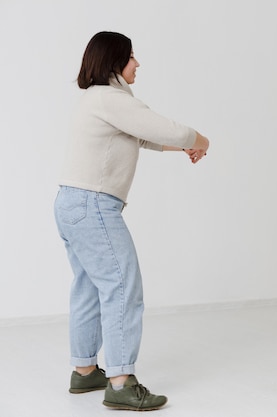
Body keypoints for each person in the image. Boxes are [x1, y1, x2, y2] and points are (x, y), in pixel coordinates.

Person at [54, 31, 210, 411]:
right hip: (93, 205)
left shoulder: (96, 100)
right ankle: (121, 382)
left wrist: (182, 148)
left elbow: (142, 137)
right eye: (132, 57)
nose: (137, 64)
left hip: (71, 203)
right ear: (115, 62)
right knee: (123, 288)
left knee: (90, 288)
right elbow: (162, 127)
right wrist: (199, 139)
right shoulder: (111, 97)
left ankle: (85, 370)